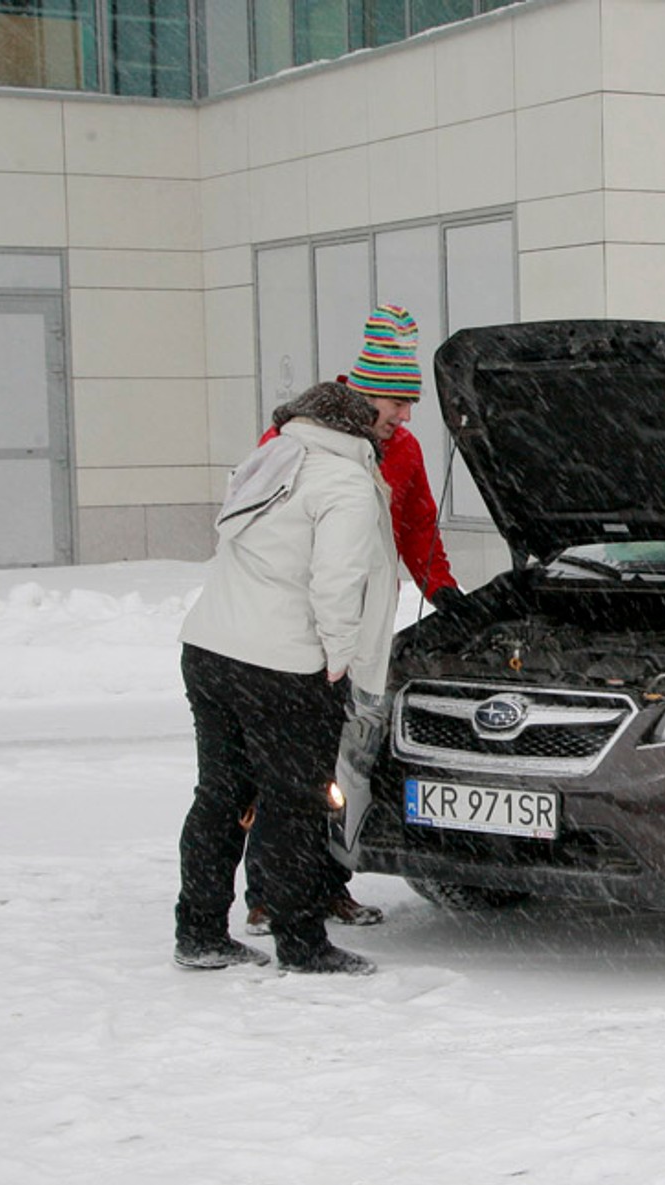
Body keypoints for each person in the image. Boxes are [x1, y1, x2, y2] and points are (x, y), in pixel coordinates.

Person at [241, 304, 457, 936]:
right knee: (284, 768)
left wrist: (439, 586)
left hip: (363, 629)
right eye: (397, 401)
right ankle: (267, 892)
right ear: (363, 392)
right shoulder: (292, 443)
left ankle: (330, 883)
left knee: (346, 767)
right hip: (295, 630)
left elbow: (416, 525)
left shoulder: (405, 450)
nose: (406, 417)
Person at [173, 375, 399, 975]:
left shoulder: (267, 460)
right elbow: (337, 583)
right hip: (282, 665)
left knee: (220, 795)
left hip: (209, 650)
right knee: (294, 803)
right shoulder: (347, 483)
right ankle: (302, 942)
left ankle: (198, 931)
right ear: (351, 430)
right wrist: (339, 661)